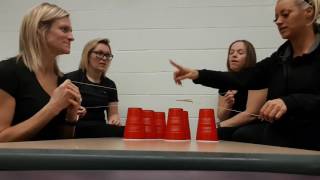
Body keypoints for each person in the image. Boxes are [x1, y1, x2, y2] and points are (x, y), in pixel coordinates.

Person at [171, 0, 320, 150]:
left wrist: (290, 101)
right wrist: (198, 74)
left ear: (309, 13)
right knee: (242, 136)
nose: (279, 21)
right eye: (276, 17)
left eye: (285, 14)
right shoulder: (280, 57)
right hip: (284, 134)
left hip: (312, 135)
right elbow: (241, 78)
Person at [0, 3, 82, 141]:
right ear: (40, 29)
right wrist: (53, 106)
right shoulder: (7, 72)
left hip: (51, 161)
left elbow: (62, 141)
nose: (71, 37)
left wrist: (71, 117)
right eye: (64, 29)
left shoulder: (61, 80)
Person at [65, 38, 124, 138]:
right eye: (99, 53)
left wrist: (114, 120)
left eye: (107, 55)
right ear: (87, 55)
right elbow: (60, 111)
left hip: (100, 129)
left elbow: (113, 114)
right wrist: (73, 110)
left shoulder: (110, 85)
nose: (104, 58)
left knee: (126, 131)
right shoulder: (70, 79)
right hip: (77, 128)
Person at [217, 40, 267, 140]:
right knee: (217, 134)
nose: (234, 55)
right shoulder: (225, 81)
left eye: (240, 53)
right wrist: (228, 104)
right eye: (231, 53)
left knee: (238, 134)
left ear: (249, 58)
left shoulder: (257, 77)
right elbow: (221, 117)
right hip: (233, 125)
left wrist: (219, 126)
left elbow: (251, 115)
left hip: (254, 125)